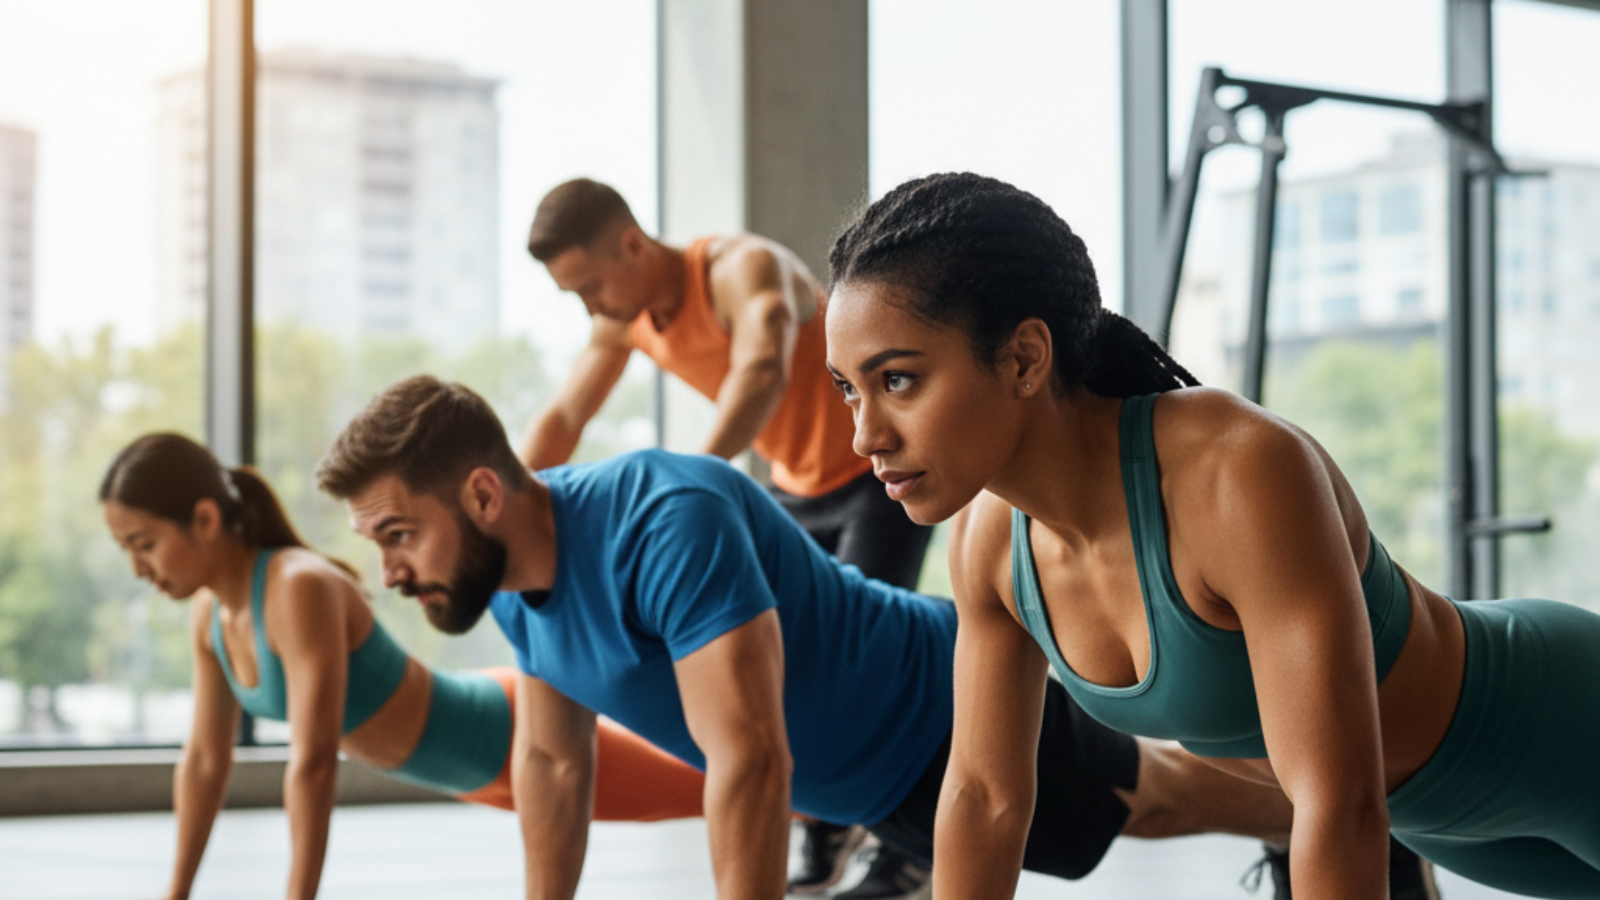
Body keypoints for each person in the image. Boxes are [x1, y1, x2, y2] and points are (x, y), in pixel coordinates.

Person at [821, 172, 1600, 899]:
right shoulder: (989, 547)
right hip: (1444, 819)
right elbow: (985, 797)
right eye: (849, 390)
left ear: (1025, 356)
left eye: (898, 380)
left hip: (1557, 732)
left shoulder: (1235, 471)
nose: (865, 436)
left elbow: (1337, 802)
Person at [314, 374, 1313, 900]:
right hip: (866, 786)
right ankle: (1314, 809)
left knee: (1156, 800)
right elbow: (551, 764)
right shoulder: (506, 587)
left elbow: (747, 757)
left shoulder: (662, 515)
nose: (390, 574)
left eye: (398, 535)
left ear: (482, 493)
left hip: (942, 709)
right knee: (1145, 805)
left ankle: (1338, 811)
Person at [521, 177, 935, 894]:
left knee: (857, 665)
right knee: (778, 675)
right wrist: (501, 513)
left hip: (872, 476)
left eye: (591, 286)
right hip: (794, 489)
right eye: (575, 299)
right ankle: (828, 830)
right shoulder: (625, 322)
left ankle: (907, 846)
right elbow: (564, 418)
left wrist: (682, 493)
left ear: (630, 243)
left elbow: (762, 369)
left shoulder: (743, 269)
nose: (592, 308)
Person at [99, 433, 707, 900]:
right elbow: (206, 760)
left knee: (711, 788)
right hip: (464, 771)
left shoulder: (295, 587)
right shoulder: (209, 615)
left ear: (205, 519)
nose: (136, 568)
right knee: (705, 789)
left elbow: (312, 763)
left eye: (144, 544)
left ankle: (806, 803)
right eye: (125, 550)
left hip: (499, 731)